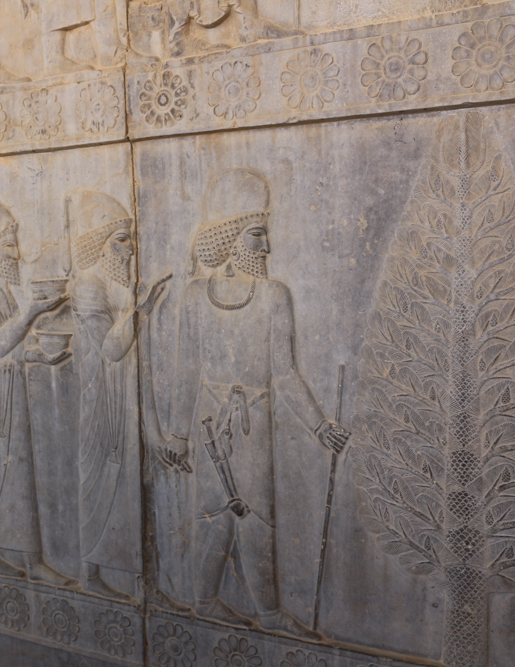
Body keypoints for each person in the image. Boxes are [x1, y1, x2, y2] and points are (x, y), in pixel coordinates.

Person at [163, 168, 348, 637]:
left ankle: (268, 613)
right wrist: (177, 434)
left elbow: (285, 376)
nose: (266, 247)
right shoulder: (193, 297)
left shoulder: (273, 297)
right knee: (213, 512)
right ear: (230, 237)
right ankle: (205, 602)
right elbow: (186, 371)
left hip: (255, 424)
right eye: (256, 234)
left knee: (258, 518)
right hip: (210, 423)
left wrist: (319, 425)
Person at [0, 195, 74, 586]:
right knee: (3, 474)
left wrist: (40, 357)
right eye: (8, 246)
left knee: (17, 474)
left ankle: (17, 556)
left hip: (9, 393)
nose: (16, 254)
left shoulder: (3, 292)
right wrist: (32, 312)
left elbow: (9, 348)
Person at [67, 190, 165, 599]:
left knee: (130, 486)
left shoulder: (119, 283)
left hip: (126, 397)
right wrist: (140, 310)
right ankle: (92, 574)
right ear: (99, 244)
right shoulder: (89, 285)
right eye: (121, 240)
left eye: (130, 239)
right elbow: (110, 348)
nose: (130, 249)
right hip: (100, 402)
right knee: (103, 484)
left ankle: (139, 578)